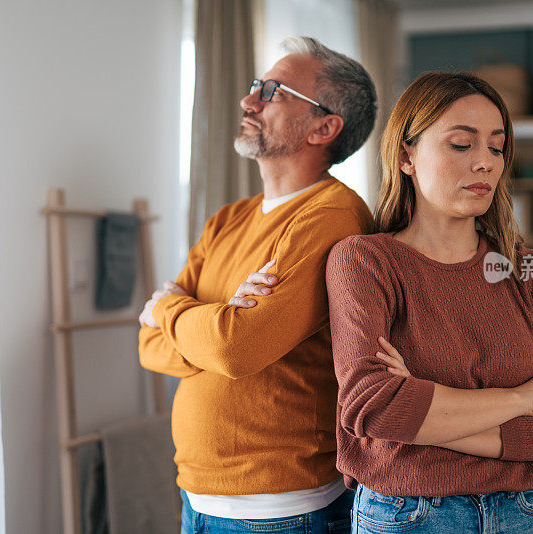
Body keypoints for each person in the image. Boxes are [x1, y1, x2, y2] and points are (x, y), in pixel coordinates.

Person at [325, 72, 533, 533]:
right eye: (461, 144)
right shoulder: (365, 261)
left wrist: (421, 415)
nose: (485, 164)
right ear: (405, 155)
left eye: (496, 147)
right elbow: (374, 409)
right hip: (408, 515)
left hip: (525, 514)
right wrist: (527, 397)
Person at [138, 36, 376, 533]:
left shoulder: (332, 216)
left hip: (282, 511)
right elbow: (148, 350)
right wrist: (216, 324)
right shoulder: (227, 219)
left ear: (324, 126)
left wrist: (167, 310)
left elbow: (236, 348)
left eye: (274, 91)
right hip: (195, 499)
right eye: (255, 87)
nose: (250, 101)